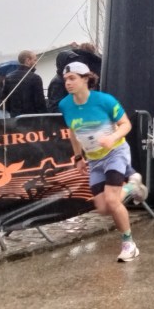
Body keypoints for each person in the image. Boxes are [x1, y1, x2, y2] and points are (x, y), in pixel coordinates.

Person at [58, 61, 145, 262]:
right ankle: (132, 187)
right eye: (65, 79)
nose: (68, 83)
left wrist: (112, 137)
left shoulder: (105, 100)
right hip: (94, 160)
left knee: (113, 200)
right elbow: (72, 131)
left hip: (116, 152)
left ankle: (129, 244)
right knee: (103, 208)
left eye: (72, 78)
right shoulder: (65, 105)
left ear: (85, 79)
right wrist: (78, 157)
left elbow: (126, 124)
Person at [0, 50, 46, 116]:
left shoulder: (8, 78)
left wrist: (14, 112)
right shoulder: (35, 78)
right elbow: (40, 103)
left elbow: (5, 101)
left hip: (15, 118)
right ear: (28, 60)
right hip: (32, 118)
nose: (36, 63)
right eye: (35, 60)